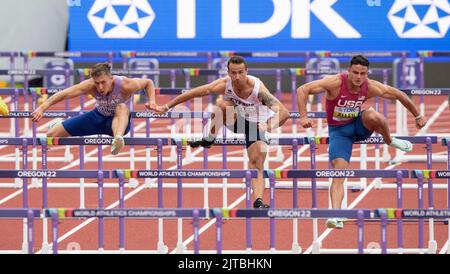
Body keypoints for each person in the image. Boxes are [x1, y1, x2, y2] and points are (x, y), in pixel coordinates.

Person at [296, 55, 427, 229]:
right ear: (349, 71)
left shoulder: (370, 86)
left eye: (362, 73)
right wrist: (303, 116)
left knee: (374, 115)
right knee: (338, 172)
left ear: (367, 73)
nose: (358, 77)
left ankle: (389, 140)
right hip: (339, 133)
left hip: (359, 126)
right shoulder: (335, 82)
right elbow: (302, 89)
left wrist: (418, 116)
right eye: (355, 72)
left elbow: (399, 94)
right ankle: (336, 215)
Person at [151, 56, 290, 208]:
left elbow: (284, 112)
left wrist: (268, 126)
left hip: (256, 126)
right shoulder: (225, 83)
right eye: (233, 73)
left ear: (247, 72)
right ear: (228, 73)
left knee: (256, 163)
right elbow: (193, 93)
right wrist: (166, 106)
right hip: (236, 120)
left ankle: (258, 201)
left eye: (241, 72)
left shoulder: (258, 90)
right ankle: (209, 139)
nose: (237, 77)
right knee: (221, 106)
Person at [31, 63, 157, 155]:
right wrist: (42, 107)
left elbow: (148, 82)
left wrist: (152, 101)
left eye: (103, 82)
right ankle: (59, 123)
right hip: (97, 117)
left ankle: (118, 140)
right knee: (50, 135)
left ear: (111, 79)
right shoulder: (90, 85)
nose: (100, 87)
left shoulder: (125, 84)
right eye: (97, 83)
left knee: (122, 107)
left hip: (117, 121)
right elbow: (65, 93)